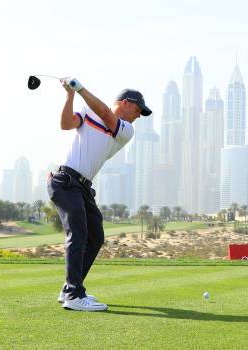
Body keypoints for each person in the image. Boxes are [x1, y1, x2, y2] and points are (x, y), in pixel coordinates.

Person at [47, 77, 152, 311]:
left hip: (82, 186)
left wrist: (80, 89)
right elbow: (65, 124)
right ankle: (74, 294)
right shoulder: (87, 111)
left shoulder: (126, 130)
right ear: (125, 103)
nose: (138, 116)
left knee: (95, 235)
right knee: (79, 232)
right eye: (137, 110)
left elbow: (105, 113)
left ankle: (70, 288)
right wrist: (70, 95)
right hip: (65, 179)